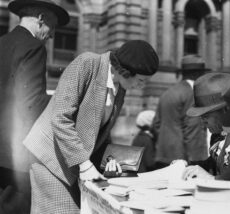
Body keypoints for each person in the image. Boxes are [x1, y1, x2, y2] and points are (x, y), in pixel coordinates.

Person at [22, 40, 159, 213]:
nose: (142, 86)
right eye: (141, 80)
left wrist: (111, 160)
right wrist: (85, 165)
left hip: (76, 164)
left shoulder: (121, 87)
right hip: (51, 159)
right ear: (125, 71)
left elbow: (100, 131)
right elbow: (60, 118)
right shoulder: (87, 63)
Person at [0, 0, 69, 212]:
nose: (51, 35)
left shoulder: (2, 42)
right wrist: (64, 102)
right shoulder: (34, 47)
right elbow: (31, 104)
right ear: (40, 19)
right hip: (16, 159)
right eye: (53, 27)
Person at [153, 55, 208, 169]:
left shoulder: (167, 92)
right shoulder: (192, 93)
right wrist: (198, 162)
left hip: (163, 155)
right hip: (183, 159)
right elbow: (192, 129)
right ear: (199, 74)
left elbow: (156, 124)